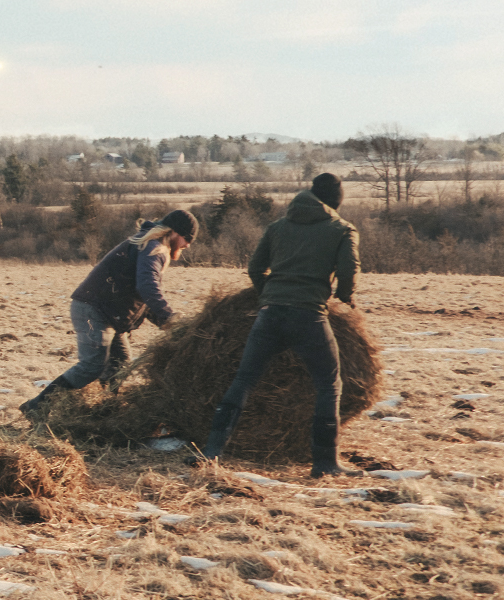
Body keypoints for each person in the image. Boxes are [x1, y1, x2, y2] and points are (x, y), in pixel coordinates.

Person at [194, 173, 362, 477]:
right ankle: (325, 463)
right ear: (337, 199)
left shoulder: (278, 227)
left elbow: (255, 267)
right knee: (329, 385)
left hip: (269, 314)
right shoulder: (342, 230)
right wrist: (345, 298)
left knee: (243, 380)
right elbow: (349, 270)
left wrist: (268, 294)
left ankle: (211, 451)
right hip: (309, 316)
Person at [20, 209, 199, 417]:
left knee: (120, 363)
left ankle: (105, 411)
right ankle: (36, 406)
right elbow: (147, 287)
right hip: (93, 310)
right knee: (92, 365)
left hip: (108, 314)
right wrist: (170, 318)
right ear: (175, 233)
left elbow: (140, 297)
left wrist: (168, 324)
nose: (187, 245)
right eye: (188, 239)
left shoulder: (148, 245)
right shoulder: (153, 248)